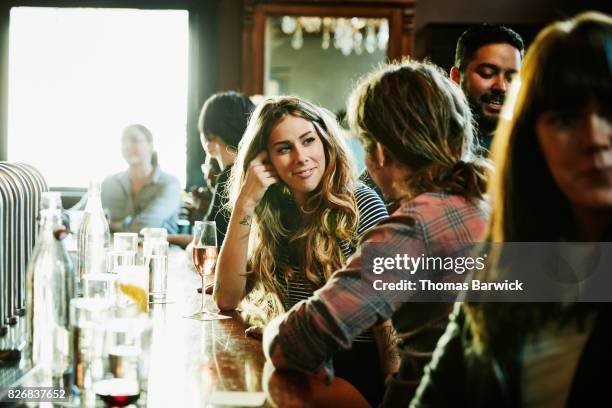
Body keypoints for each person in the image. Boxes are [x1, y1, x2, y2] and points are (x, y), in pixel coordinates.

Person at [262, 60, 490, 406]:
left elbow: (290, 346)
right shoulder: (493, 203)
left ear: (379, 152)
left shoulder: (412, 230)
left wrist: (271, 327)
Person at [412, 12, 612, 407]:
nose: (595, 139)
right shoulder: (506, 267)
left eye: (610, 113)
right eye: (566, 119)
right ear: (533, 140)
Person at [214, 96, 389, 405]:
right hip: (301, 362)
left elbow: (390, 315)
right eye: (284, 149)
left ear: (325, 142)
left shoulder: (360, 204)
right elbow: (226, 297)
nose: (300, 157)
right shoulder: (278, 214)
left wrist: (394, 395)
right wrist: (246, 201)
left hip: (353, 369)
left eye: (308, 141)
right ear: (264, 161)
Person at [450, 24, 524, 152]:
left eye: (511, 78)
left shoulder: (531, 147)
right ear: (456, 77)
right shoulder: (430, 141)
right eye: (487, 73)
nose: (501, 87)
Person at [102, 124, 181, 233]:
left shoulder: (169, 184)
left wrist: (105, 225)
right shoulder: (109, 183)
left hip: (160, 249)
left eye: (134, 141)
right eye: (123, 142)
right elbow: (79, 215)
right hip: (115, 249)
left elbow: (146, 226)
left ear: (150, 145)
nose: (127, 146)